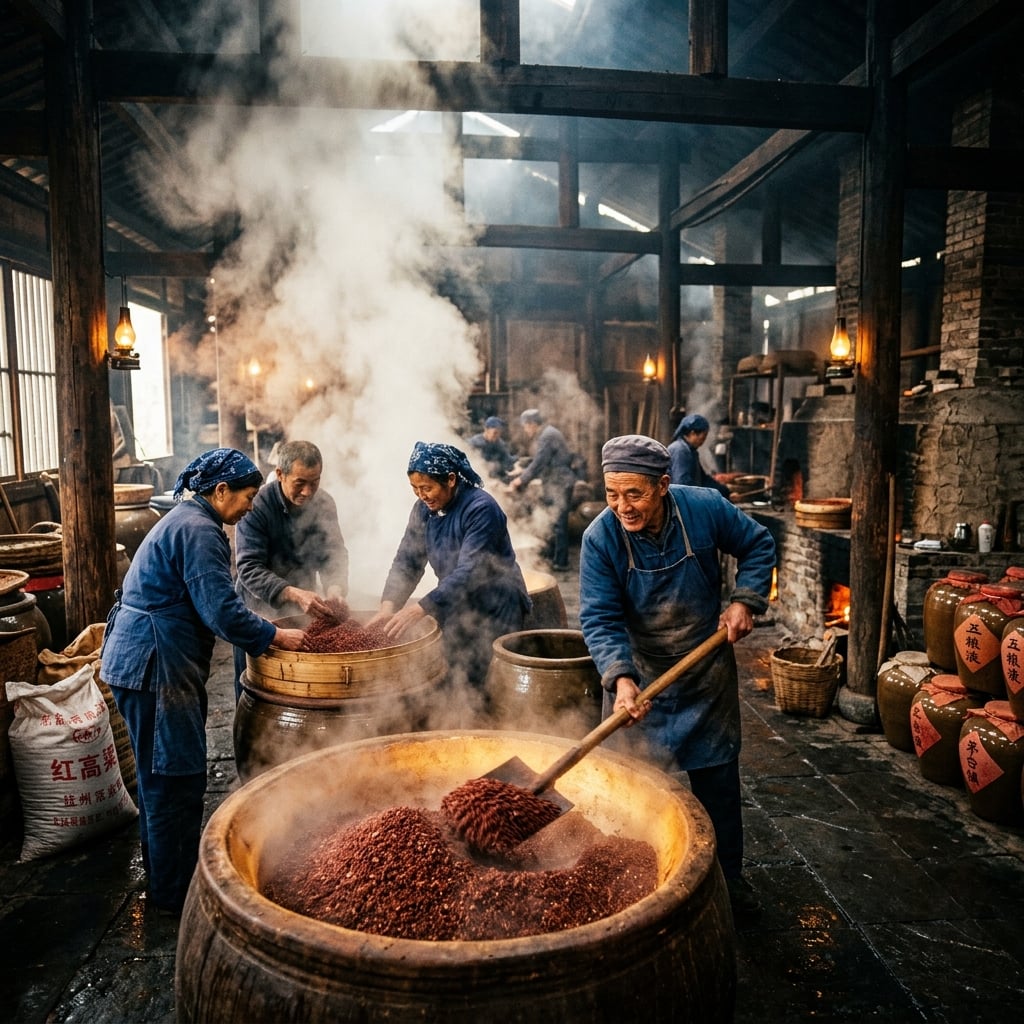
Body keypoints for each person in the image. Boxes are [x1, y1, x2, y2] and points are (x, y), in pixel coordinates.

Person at [578, 434, 775, 919]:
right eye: (611, 494)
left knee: (719, 791)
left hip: (704, 677)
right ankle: (632, 888)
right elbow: (600, 618)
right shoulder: (600, 538)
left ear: (663, 485)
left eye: (635, 494)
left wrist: (744, 599)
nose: (622, 506)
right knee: (632, 794)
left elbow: (758, 544)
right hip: (639, 682)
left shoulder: (705, 508)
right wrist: (621, 679)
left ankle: (729, 885)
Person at [100, 448, 306, 914]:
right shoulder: (199, 531)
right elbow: (220, 610)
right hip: (155, 663)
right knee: (173, 778)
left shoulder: (189, 521)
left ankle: (165, 880)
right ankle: (173, 897)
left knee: (161, 777)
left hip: (147, 658)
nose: (251, 506)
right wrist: (274, 634)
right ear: (220, 491)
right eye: (247, 497)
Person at [369, 441, 530, 719]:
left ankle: (490, 735)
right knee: (452, 672)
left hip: (497, 606)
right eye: (415, 490)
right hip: (456, 602)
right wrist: (389, 605)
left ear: (452, 480)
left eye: (427, 488)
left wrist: (423, 607)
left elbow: (471, 570)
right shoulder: (422, 510)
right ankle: (456, 729)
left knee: (485, 681)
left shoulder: (481, 508)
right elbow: (408, 560)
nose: (422, 496)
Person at [233, 439, 349, 700]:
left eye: (315, 481)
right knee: (255, 686)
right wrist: (294, 594)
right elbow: (249, 568)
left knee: (301, 687)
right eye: (300, 483)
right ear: (280, 475)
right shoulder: (257, 506)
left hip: (303, 606)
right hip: (259, 608)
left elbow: (334, 553)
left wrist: (335, 586)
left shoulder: (324, 503)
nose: (308, 492)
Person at [508, 409, 577, 572]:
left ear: (532, 424)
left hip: (560, 483)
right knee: (553, 520)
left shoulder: (547, 436)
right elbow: (539, 459)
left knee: (560, 523)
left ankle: (561, 562)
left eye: (525, 426)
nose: (525, 430)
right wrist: (522, 468)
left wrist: (520, 480)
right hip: (556, 482)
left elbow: (539, 462)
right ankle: (554, 556)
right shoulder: (548, 433)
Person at [667, 413, 731, 497]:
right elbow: (682, 484)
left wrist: (724, 491)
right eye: (703, 437)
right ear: (693, 433)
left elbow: (703, 479)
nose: (703, 441)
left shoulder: (691, 451)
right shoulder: (680, 450)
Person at [467, 415, 516, 480]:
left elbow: (508, 460)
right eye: (495, 433)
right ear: (486, 430)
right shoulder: (474, 442)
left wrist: (518, 461)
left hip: (495, 477)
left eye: (499, 433)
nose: (497, 436)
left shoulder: (500, 444)